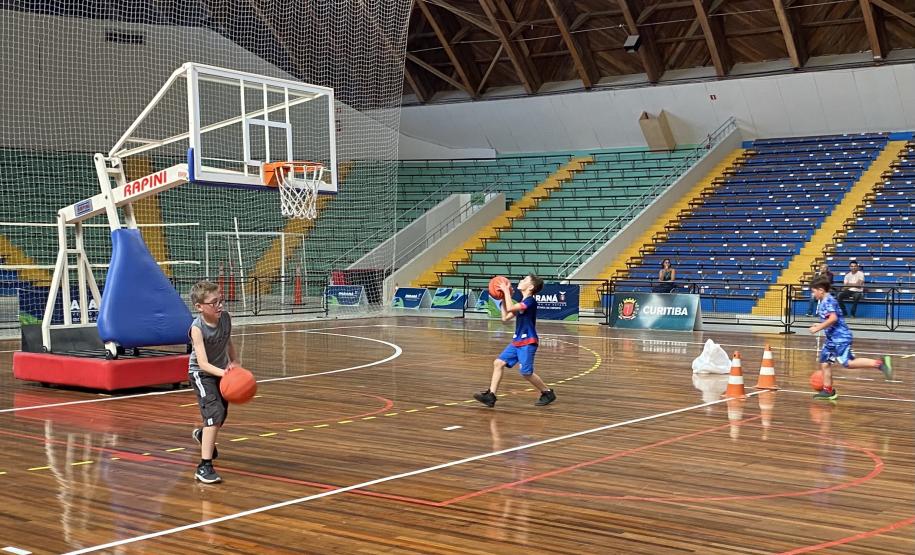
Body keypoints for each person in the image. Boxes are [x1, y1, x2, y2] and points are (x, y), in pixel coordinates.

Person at [474, 274, 556, 408]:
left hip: (528, 341)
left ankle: (547, 392)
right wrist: (502, 300)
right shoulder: (521, 302)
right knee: (498, 363)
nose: (520, 281)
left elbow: (512, 308)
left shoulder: (530, 302)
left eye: (524, 280)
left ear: (530, 287)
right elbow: (505, 318)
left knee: (526, 373)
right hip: (517, 341)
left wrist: (506, 292)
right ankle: (491, 396)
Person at [188, 280, 239, 484]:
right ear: (199, 307)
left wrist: (235, 362)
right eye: (213, 302)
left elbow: (229, 342)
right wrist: (226, 374)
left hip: (220, 372)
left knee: (221, 414)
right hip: (202, 374)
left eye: (221, 301)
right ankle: (204, 467)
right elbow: (202, 363)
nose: (219, 306)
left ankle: (202, 435)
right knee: (214, 414)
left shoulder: (226, 318)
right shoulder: (197, 329)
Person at [808, 277, 892, 401]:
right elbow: (830, 320)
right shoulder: (825, 300)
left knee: (848, 363)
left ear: (820, 290)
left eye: (813, 291)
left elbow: (833, 318)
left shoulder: (828, 301)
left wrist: (819, 327)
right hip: (832, 339)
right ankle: (828, 391)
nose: (812, 294)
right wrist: (820, 325)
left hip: (840, 338)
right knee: (825, 363)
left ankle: (880, 363)